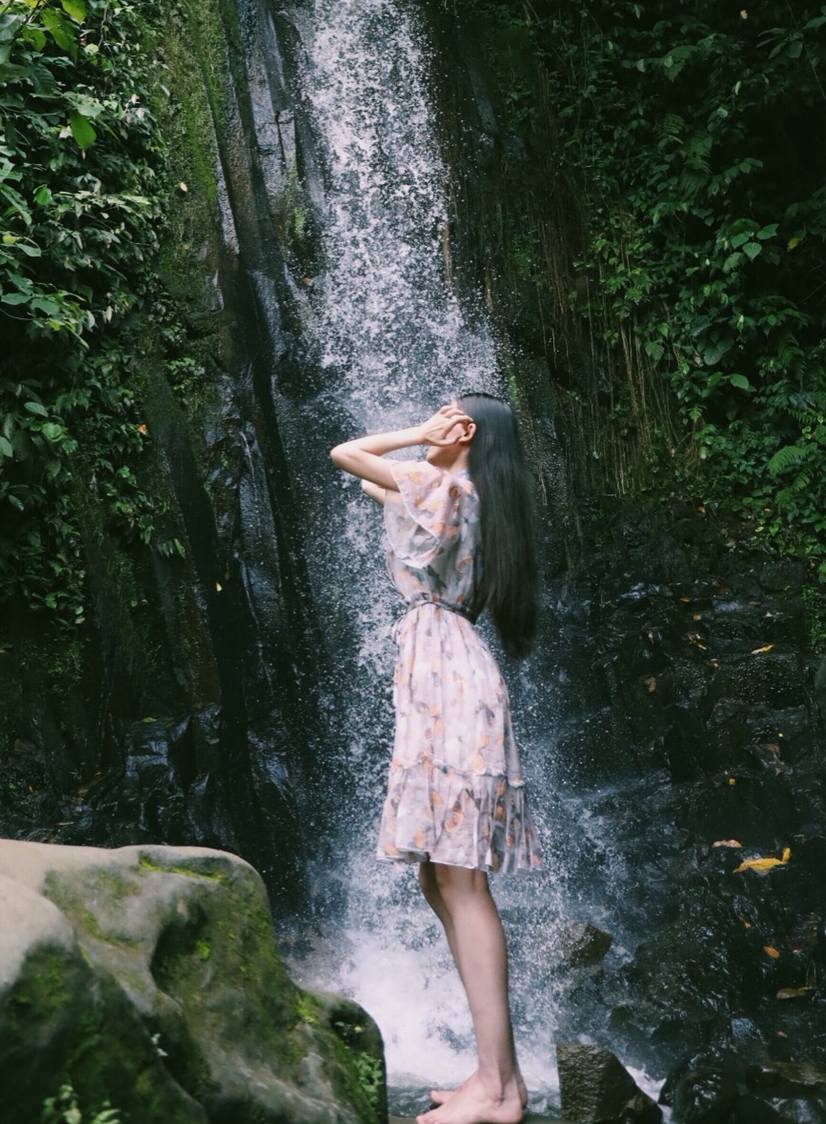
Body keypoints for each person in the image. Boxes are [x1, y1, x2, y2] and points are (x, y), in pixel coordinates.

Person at [331, 394, 540, 1124]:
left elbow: (348, 454)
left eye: (441, 413)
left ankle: (493, 1090)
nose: (428, 421)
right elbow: (369, 481)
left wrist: (418, 438)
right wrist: (428, 445)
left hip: (448, 688)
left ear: (464, 431)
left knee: (461, 881)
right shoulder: (457, 492)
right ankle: (500, 1081)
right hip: (447, 680)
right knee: (438, 875)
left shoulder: (447, 486)